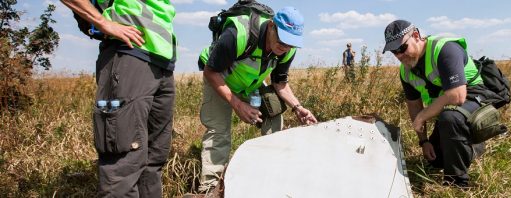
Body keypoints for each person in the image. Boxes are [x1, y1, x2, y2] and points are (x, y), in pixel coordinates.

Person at [61, 0, 176, 197]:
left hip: (161, 63)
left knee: (153, 159)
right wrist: (102, 22)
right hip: (128, 53)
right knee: (123, 163)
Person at [197, 6, 318, 192]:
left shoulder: (288, 50)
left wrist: (297, 107)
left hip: (248, 84)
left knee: (274, 111)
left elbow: (280, 83)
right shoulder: (238, 34)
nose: (284, 47)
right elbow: (210, 71)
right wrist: (237, 104)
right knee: (219, 131)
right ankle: (209, 189)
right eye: (282, 40)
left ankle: (270, 172)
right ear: (271, 26)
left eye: (290, 44)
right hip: (219, 78)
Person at [382, 20, 486, 187]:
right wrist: (424, 141)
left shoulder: (444, 49)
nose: (400, 55)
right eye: (394, 52)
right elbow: (414, 105)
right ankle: (472, 146)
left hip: (474, 97)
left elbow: (457, 95)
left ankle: (456, 182)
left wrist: (423, 116)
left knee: (449, 118)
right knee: (436, 159)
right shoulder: (406, 71)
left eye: (402, 48)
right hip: (447, 107)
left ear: (416, 36)